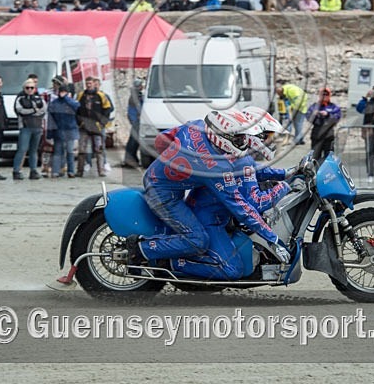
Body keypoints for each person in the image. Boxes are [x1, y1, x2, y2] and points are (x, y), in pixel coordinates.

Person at [121, 109, 290, 274]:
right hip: (162, 192)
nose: (243, 141)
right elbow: (242, 208)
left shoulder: (197, 126)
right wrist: (273, 239)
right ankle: (143, 250)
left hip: (164, 181)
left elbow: (162, 139)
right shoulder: (216, 166)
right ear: (222, 136)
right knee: (198, 240)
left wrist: (180, 168)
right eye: (238, 138)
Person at [75, 77, 112, 177]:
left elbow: (108, 109)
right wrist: (79, 122)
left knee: (98, 149)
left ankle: (101, 170)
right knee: (82, 149)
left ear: (93, 84)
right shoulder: (81, 95)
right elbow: (76, 109)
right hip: (84, 127)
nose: (88, 85)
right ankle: (80, 171)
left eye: (90, 83)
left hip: (96, 127)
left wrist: (102, 123)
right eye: (87, 83)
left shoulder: (101, 95)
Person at [12, 78, 47, 180]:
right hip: (25, 127)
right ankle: (16, 170)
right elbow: (20, 110)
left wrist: (32, 111)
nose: (30, 89)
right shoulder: (20, 99)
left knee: (34, 150)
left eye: (32, 87)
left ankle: (33, 170)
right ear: (24, 88)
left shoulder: (39, 98)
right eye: (27, 88)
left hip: (37, 126)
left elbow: (43, 110)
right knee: (22, 149)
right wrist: (33, 111)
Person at [47, 82, 80, 178]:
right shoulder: (54, 103)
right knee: (58, 152)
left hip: (70, 130)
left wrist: (66, 98)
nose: (62, 93)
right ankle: (56, 171)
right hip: (58, 131)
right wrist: (50, 133)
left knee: (70, 151)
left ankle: (71, 171)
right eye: (61, 91)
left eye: (64, 92)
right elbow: (50, 119)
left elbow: (77, 108)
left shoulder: (72, 102)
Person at [307, 88, 342, 160]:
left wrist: (328, 114)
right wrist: (314, 114)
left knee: (328, 157)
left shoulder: (333, 107)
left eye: (326, 94)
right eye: (323, 94)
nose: (324, 96)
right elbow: (308, 116)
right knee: (315, 158)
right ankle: (316, 170)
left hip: (328, 135)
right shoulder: (314, 106)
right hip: (316, 135)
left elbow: (337, 117)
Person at [122, 78, 144, 168]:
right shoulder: (136, 97)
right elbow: (135, 110)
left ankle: (131, 159)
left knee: (134, 141)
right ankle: (130, 159)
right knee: (133, 141)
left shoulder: (136, 96)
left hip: (136, 120)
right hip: (137, 120)